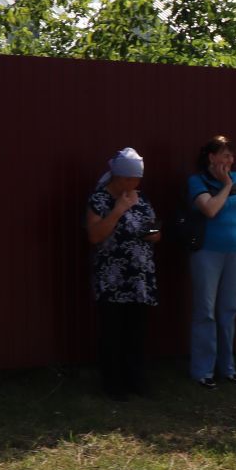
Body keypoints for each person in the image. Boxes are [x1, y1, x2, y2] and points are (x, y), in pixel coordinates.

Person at [86, 147, 161, 399]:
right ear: (120, 178)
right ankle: (112, 384)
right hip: (113, 278)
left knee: (136, 333)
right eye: (133, 178)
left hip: (139, 278)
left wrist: (151, 234)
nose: (137, 183)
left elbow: (155, 231)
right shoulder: (99, 200)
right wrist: (118, 210)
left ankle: (136, 381)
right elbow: (95, 235)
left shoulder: (142, 199)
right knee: (112, 333)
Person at [186, 135, 236, 389]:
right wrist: (226, 185)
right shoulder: (198, 181)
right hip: (207, 252)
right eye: (226, 155)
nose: (231, 160)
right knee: (205, 311)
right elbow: (210, 210)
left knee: (229, 310)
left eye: (232, 155)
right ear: (212, 157)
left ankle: (227, 367)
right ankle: (203, 370)